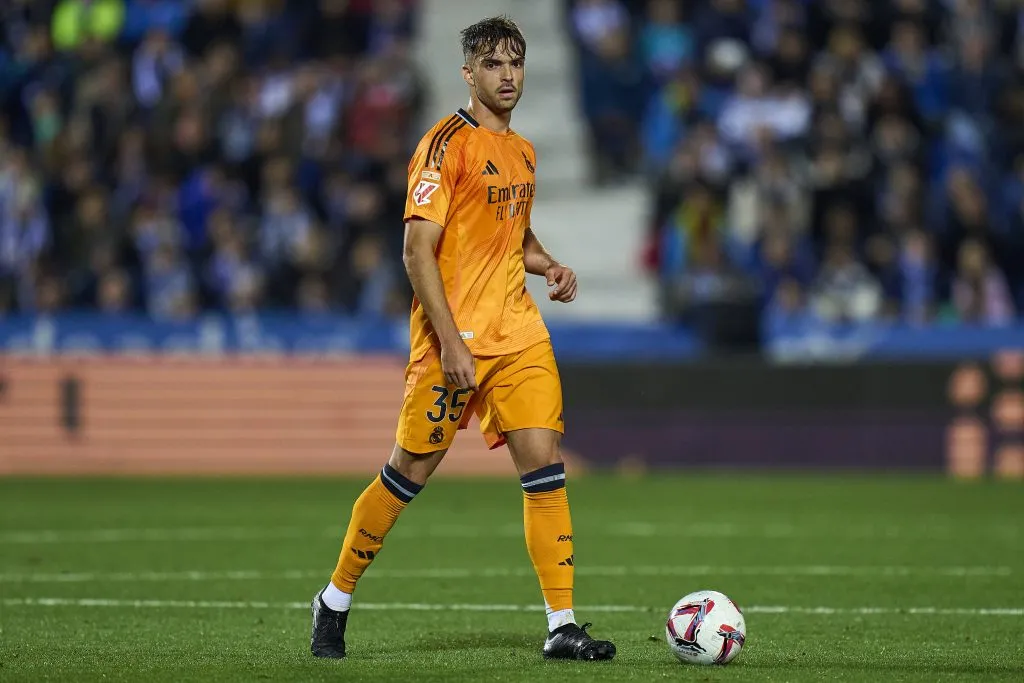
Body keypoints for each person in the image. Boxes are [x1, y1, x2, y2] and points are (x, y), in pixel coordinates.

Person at [309, 15, 616, 662]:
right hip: (454, 340)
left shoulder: (524, 151)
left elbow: (513, 237)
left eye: (515, 63)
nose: (507, 75)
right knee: (407, 473)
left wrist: (550, 264)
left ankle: (561, 623)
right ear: (468, 73)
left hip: (520, 334)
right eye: (493, 64)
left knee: (545, 464)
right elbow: (417, 251)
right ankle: (335, 596)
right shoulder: (444, 144)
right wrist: (449, 342)